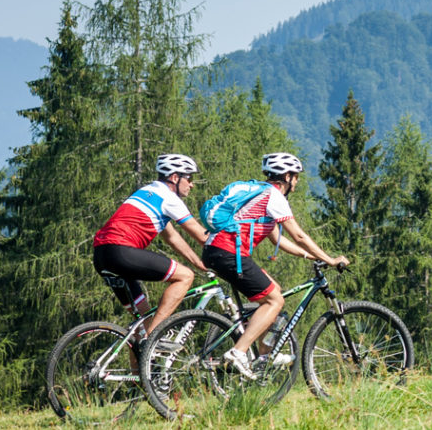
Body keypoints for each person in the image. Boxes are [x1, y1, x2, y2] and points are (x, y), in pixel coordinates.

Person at [203, 152, 348, 379]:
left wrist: (310, 257)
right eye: (296, 177)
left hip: (217, 251)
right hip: (229, 252)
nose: (297, 182)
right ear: (287, 177)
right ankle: (238, 352)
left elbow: (278, 239)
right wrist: (330, 259)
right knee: (274, 300)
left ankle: (263, 356)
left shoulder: (261, 197)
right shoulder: (274, 197)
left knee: (274, 291)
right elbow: (299, 235)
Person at [91, 154, 212, 342]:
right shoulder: (169, 198)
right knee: (185, 277)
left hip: (102, 255)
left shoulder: (147, 192)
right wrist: (234, 246)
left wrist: (199, 263)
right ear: (174, 177)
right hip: (121, 250)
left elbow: (172, 237)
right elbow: (201, 236)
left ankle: (139, 364)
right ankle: (153, 339)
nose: (192, 184)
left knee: (141, 325)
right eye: (189, 178)